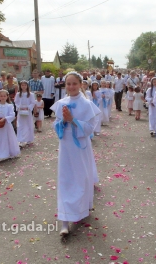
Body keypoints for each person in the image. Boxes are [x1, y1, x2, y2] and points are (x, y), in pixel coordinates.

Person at [50, 72, 101, 235]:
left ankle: (82, 207)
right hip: (66, 147)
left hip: (80, 148)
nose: (71, 87)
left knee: (81, 178)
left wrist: (73, 120)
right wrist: (63, 122)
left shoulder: (86, 104)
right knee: (66, 178)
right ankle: (65, 219)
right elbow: (55, 126)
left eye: (74, 83)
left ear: (80, 84)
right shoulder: (61, 103)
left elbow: (89, 129)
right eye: (68, 84)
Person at [0, 90, 20, 164]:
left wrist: (5, 118)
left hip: (6, 125)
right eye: (1, 96)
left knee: (8, 139)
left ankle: (10, 152)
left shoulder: (9, 106)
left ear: (7, 96)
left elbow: (12, 115)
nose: (3, 97)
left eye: (4, 96)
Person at [14, 80, 36, 146]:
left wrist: (28, 107)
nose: (23, 86)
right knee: (20, 125)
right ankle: (21, 139)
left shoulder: (31, 94)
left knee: (28, 124)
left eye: (25, 85)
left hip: (28, 111)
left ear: (27, 86)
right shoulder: (18, 94)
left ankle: (29, 139)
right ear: (20, 86)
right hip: (20, 111)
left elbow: (33, 102)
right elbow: (16, 102)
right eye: (22, 85)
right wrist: (19, 107)